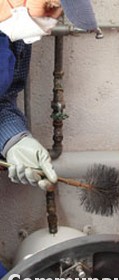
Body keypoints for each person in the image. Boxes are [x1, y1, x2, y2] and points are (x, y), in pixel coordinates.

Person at [0, 0, 98, 190]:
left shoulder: (14, 33)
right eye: (50, 4)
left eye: (60, 8)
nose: (54, 17)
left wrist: (14, 141)